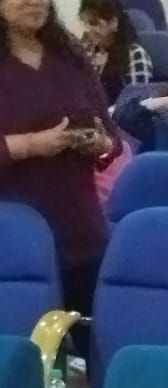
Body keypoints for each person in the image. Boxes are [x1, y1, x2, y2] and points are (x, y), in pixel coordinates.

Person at [0, 0, 119, 314]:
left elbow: (112, 138)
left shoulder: (69, 55)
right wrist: (29, 145)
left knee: (88, 336)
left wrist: (98, 143)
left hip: (82, 234)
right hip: (12, 245)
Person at [78, 0, 151, 105]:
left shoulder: (135, 54)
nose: (88, 29)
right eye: (85, 22)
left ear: (113, 23)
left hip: (116, 113)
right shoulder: (88, 51)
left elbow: (133, 106)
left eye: (94, 23)